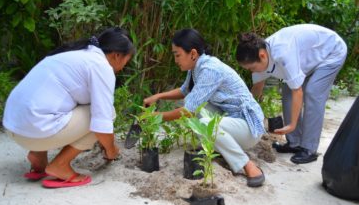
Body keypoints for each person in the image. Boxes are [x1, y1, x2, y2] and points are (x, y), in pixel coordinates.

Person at [3, 27, 135, 188]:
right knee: (108, 113)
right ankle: (60, 165)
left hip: (13, 128)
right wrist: (112, 151)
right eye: (126, 61)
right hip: (34, 132)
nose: (123, 67)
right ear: (117, 55)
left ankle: (38, 155)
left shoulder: (73, 55)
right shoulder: (100, 66)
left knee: (54, 104)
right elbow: (102, 123)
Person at [144, 28, 266, 187]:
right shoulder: (196, 67)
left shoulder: (210, 69)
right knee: (197, 106)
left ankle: (248, 165)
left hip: (248, 127)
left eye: (177, 55)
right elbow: (184, 91)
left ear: (192, 54)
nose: (175, 60)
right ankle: (222, 147)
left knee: (203, 124)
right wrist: (158, 96)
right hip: (233, 121)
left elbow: (187, 112)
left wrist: (155, 117)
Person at [236, 24, 347, 164]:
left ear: (262, 56)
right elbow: (257, 88)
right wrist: (245, 112)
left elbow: (298, 91)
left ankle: (309, 149)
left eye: (252, 68)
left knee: (313, 92)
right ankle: (294, 143)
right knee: (287, 92)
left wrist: (292, 124)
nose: (252, 71)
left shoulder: (283, 54)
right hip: (310, 57)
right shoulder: (260, 54)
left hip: (331, 51)